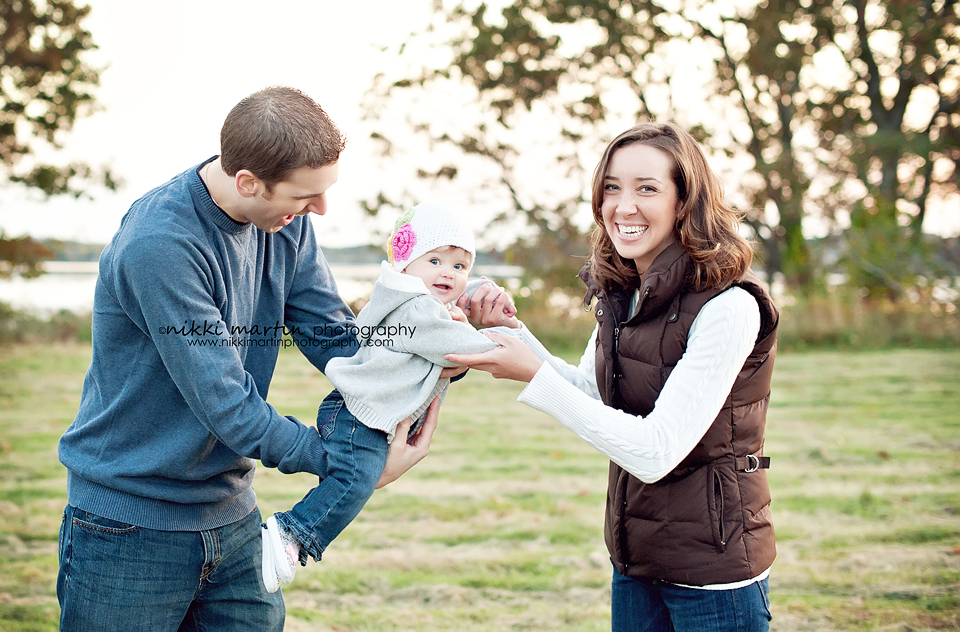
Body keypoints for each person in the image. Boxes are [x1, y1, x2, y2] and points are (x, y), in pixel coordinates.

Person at [56, 86, 444, 632]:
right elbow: (229, 405)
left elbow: (335, 337)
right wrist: (350, 467)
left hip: (234, 519)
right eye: (304, 196)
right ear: (248, 182)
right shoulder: (160, 244)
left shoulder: (285, 223)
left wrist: (441, 332)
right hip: (131, 526)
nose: (320, 209)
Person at [448, 122, 779, 631]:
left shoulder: (729, 306)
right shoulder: (625, 295)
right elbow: (590, 393)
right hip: (636, 563)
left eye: (647, 188)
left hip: (715, 577)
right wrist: (512, 332)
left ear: (685, 200)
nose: (624, 206)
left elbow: (656, 451)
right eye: (611, 187)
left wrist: (534, 372)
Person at [260, 203, 520, 592]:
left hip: (366, 411)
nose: (447, 273)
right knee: (356, 477)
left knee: (357, 476)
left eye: (459, 266)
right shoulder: (415, 306)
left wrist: (461, 342)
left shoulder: (420, 305)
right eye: (434, 259)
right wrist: (504, 334)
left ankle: (295, 535)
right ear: (404, 262)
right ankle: (291, 531)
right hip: (357, 413)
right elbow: (457, 348)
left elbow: (441, 359)